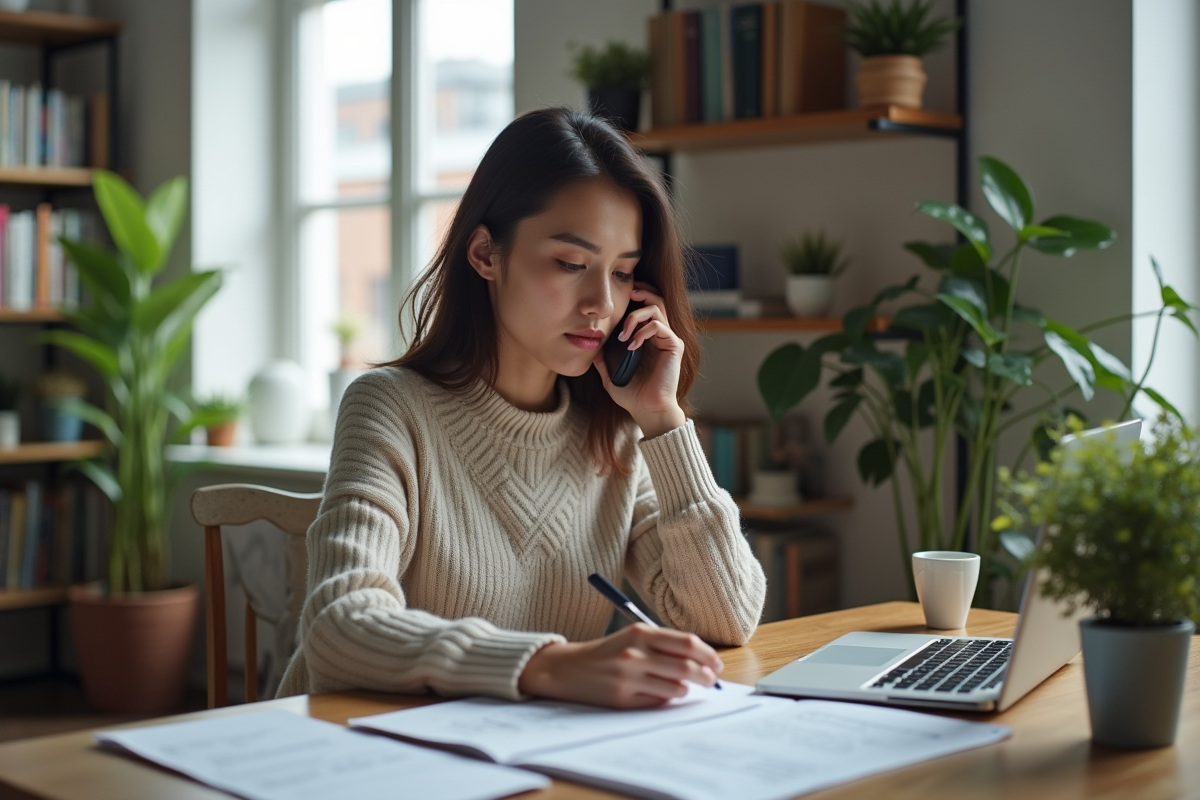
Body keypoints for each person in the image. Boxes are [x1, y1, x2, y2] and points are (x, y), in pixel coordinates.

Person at [277, 107, 766, 709]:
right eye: (569, 264)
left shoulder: (613, 436)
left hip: (518, 756)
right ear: (485, 253)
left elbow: (726, 621)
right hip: (351, 747)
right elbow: (338, 626)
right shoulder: (390, 408)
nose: (600, 304)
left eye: (623, 273)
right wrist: (548, 664)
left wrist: (663, 419)